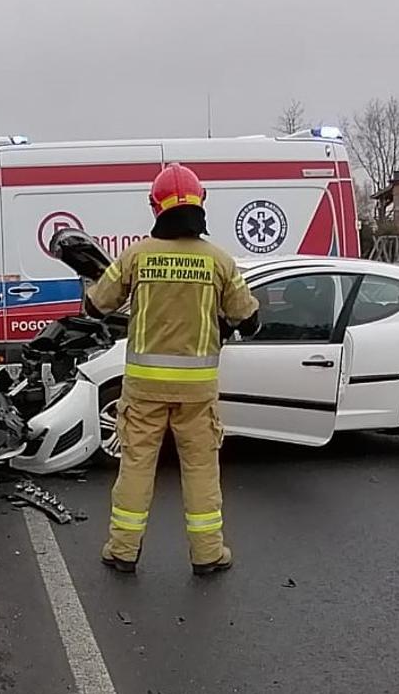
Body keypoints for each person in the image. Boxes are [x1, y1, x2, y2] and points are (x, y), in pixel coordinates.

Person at [82, 164, 260, 576]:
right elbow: (249, 320)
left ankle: (123, 550)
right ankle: (208, 554)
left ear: (154, 205)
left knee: (136, 467)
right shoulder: (218, 261)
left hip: (143, 390)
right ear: (201, 203)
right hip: (197, 395)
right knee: (201, 471)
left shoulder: (136, 256)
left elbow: (96, 306)